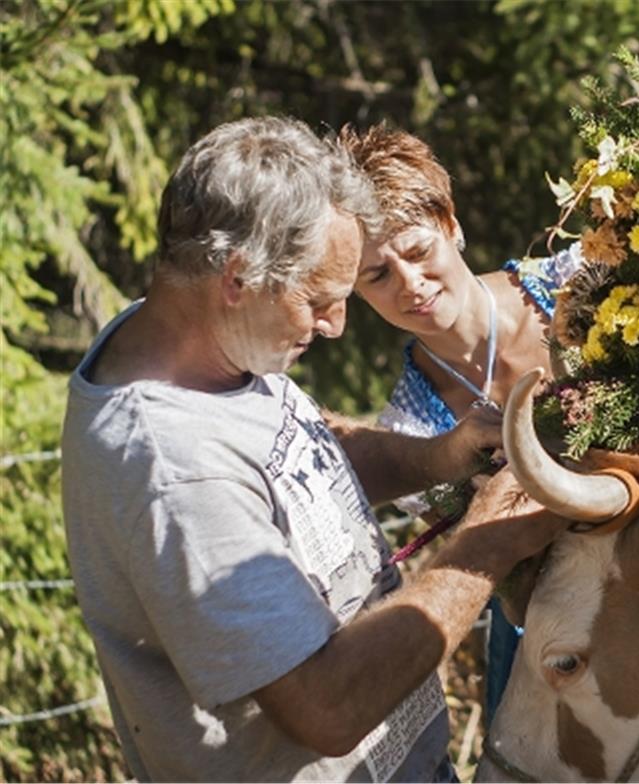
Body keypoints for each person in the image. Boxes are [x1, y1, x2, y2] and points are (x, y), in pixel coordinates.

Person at [60, 116, 566, 782]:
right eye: (321, 300)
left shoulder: (190, 337)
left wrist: (441, 456)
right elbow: (325, 709)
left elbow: (294, 458)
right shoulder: (174, 471)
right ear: (237, 278)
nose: (335, 325)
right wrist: (489, 541)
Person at [334, 123, 582, 723]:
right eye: (377, 276)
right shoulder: (414, 430)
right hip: (552, 619)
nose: (410, 286)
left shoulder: (576, 282)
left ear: (452, 226)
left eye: (418, 252)